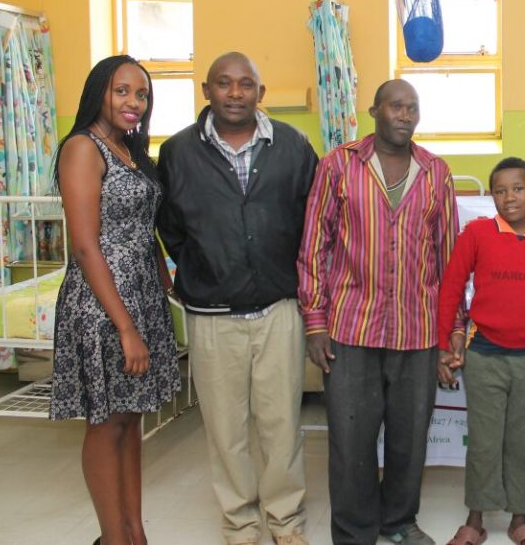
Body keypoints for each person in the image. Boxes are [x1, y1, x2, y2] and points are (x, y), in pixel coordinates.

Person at [157, 52, 317, 545]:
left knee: (281, 423)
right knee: (225, 429)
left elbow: (312, 220)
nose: (234, 93)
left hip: (279, 308)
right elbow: (171, 228)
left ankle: (285, 520)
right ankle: (240, 523)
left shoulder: (292, 145)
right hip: (212, 313)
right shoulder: (179, 151)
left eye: (245, 84)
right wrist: (205, 268)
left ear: (260, 94)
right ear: (207, 90)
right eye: (223, 83)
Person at [298, 78, 459, 545]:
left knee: (410, 440)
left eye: (413, 108)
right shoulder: (338, 166)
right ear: (374, 111)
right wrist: (315, 322)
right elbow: (313, 247)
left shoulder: (436, 172)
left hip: (418, 330)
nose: (405, 115)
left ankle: (399, 522)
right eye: (396, 106)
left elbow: (448, 258)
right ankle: (353, 533)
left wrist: (454, 331)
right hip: (351, 328)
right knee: (351, 442)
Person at [50, 55, 181, 545]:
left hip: (141, 295)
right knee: (106, 422)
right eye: (121, 91)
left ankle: (133, 531)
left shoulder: (127, 149)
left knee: (131, 419)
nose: (133, 103)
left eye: (141, 94)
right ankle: (113, 536)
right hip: (103, 303)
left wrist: (167, 285)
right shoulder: (83, 148)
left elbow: (141, 230)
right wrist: (125, 326)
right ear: (98, 93)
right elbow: (85, 245)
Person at [437, 157, 525, 545]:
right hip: (485, 358)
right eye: (500, 190)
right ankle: (475, 519)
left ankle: (520, 518)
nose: (509, 197)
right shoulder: (476, 234)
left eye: (518, 189)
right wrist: (445, 342)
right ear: (491, 196)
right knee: (483, 440)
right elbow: (451, 288)